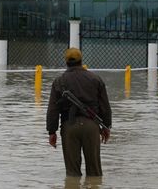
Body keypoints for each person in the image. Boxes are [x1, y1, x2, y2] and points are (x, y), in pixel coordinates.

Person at [46, 48, 112, 177]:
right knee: (95, 173)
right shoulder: (95, 79)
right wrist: (106, 126)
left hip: (69, 127)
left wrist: (51, 132)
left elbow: (53, 109)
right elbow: (105, 106)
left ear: (66, 62)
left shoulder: (59, 81)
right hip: (91, 126)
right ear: (81, 61)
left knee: (72, 174)